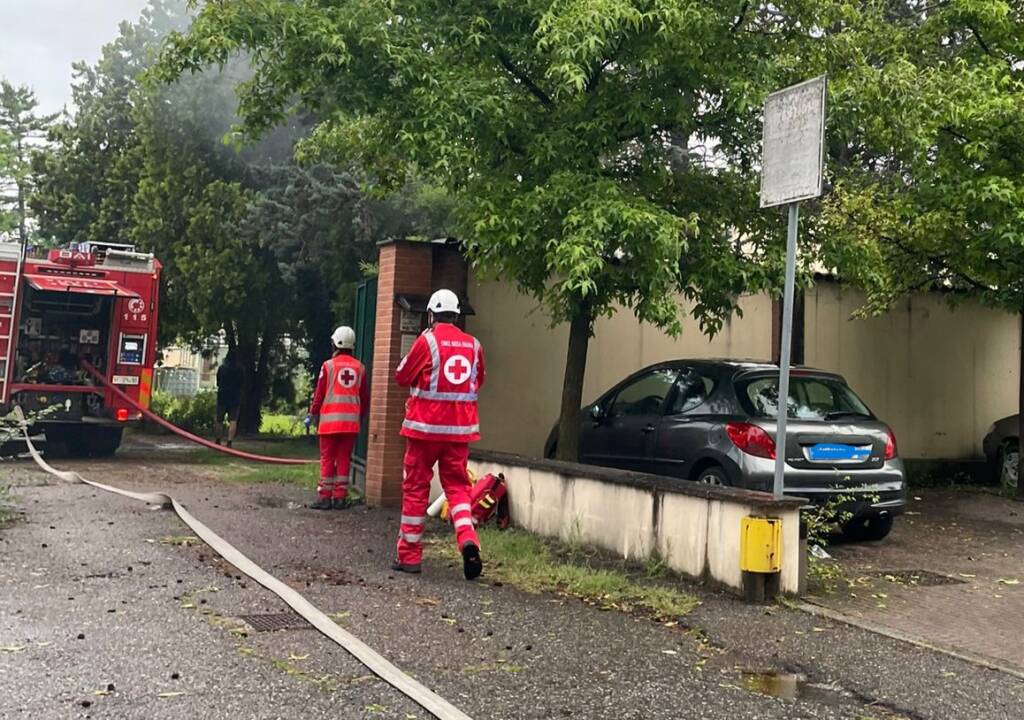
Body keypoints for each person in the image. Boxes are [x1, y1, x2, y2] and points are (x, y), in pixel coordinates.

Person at [393, 289, 485, 580]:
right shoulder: (474, 345)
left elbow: (402, 376)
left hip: (424, 430)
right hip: (459, 432)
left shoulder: (427, 340)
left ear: (431, 315)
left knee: (416, 489)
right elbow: (478, 380)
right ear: (457, 315)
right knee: (458, 489)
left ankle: (409, 556)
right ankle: (467, 538)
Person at [308, 326, 369, 510]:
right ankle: (340, 496)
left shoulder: (328, 366)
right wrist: (360, 416)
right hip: (350, 423)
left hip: (329, 423)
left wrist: (313, 412)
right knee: (344, 459)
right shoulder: (360, 368)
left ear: (335, 343)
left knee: (327, 458)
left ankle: (325, 496)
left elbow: (319, 393)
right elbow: (364, 397)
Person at [215, 351, 243, 448]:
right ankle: (229, 441)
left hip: (222, 396)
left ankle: (218, 440)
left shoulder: (222, 368)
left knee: (219, 420)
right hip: (235, 398)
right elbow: (242, 383)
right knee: (233, 420)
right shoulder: (240, 369)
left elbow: (218, 382)